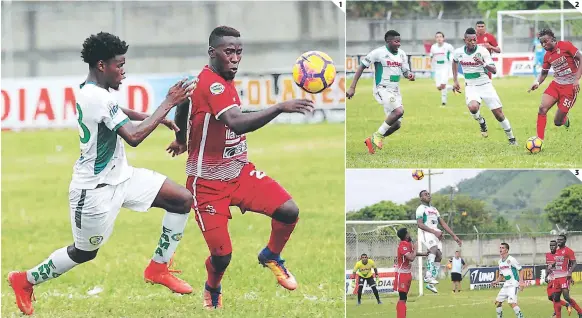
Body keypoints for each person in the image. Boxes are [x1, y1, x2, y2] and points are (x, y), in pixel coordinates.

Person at [7, 32, 196, 316]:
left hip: (123, 177)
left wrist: (154, 116)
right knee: (84, 252)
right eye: (119, 65)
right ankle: (24, 280)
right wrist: (166, 104)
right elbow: (132, 137)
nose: (123, 71)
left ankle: (158, 267)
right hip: (94, 192)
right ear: (101, 65)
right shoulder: (96, 96)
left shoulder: (92, 90)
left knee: (182, 199)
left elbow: (115, 109)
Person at [166, 26, 314, 310]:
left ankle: (271, 255)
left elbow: (183, 104)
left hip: (239, 172)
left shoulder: (210, 79)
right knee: (222, 256)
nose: (235, 58)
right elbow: (237, 122)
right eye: (228, 52)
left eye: (238, 52)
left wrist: (180, 138)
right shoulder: (213, 84)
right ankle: (212, 287)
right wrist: (280, 107)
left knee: (288, 210)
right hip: (207, 184)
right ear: (212, 53)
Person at [346, 30, 415, 154]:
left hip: (395, 90)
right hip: (382, 89)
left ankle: (372, 140)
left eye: (400, 41)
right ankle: (378, 135)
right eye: (396, 41)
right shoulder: (378, 53)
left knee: (396, 124)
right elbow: (361, 67)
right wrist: (352, 87)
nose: (399, 44)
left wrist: (409, 75)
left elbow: (405, 71)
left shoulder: (402, 54)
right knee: (399, 111)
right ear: (388, 41)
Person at [452, 27, 516, 145]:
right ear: (464, 40)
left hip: (485, 85)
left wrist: (483, 63)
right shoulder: (458, 52)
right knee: (473, 108)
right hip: (471, 86)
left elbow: (494, 70)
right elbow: (455, 61)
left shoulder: (483, 51)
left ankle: (512, 138)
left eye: (474, 40)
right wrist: (455, 80)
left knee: (499, 115)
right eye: (470, 40)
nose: (473, 42)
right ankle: (481, 121)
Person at [528, 28, 582, 141]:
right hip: (556, 84)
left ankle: (564, 119)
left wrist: (577, 79)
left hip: (570, 88)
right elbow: (544, 73)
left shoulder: (566, 45)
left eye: (545, 41)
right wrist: (537, 82)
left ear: (552, 39)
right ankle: (539, 140)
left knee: (557, 122)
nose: (543, 44)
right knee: (542, 109)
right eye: (541, 42)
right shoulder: (547, 55)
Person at [415, 190, 462, 293]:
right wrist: (433, 232)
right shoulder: (420, 209)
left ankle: (431, 284)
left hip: (435, 233)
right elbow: (419, 224)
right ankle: (428, 276)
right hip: (426, 232)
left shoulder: (434, 209)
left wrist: (454, 236)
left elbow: (443, 224)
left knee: (439, 255)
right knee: (433, 250)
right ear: (421, 198)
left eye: (428, 194)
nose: (428, 195)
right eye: (425, 194)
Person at [395, 227, 429, 318]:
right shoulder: (403, 245)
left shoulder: (407, 244)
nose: (409, 234)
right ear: (405, 235)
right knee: (402, 298)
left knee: (404, 298)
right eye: (408, 233)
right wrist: (415, 248)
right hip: (401, 274)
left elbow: (413, 254)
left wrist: (424, 253)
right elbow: (411, 257)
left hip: (407, 274)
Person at [491, 243, 526, 318]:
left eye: (502, 248)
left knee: (511, 303)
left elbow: (520, 270)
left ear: (506, 250)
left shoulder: (511, 260)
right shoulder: (500, 262)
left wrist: (521, 281)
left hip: (513, 284)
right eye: (500, 247)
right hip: (506, 284)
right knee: (497, 303)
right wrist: (496, 281)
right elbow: (501, 275)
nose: (500, 249)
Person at [551, 235, 582, 318]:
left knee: (566, 297)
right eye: (558, 240)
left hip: (564, 277)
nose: (559, 241)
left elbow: (574, 263)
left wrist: (570, 273)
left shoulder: (568, 251)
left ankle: (580, 311)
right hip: (556, 277)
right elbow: (557, 263)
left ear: (565, 241)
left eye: (561, 240)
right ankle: (558, 316)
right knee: (555, 297)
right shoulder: (556, 251)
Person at [545, 240, 572, 317]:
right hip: (551, 277)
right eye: (550, 245)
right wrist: (546, 276)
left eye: (553, 245)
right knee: (550, 297)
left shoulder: (559, 254)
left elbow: (566, 265)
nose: (551, 247)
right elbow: (547, 266)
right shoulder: (547, 255)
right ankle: (567, 304)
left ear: (557, 246)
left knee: (554, 296)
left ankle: (557, 312)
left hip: (557, 278)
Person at [430, 31, 455, 106]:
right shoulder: (433, 47)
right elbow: (431, 57)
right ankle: (452, 87)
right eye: (437, 37)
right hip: (437, 68)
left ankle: (444, 102)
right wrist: (431, 66)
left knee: (443, 84)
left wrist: (452, 60)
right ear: (435, 39)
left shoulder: (448, 46)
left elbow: (454, 54)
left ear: (443, 38)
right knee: (439, 87)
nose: (439, 38)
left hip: (445, 67)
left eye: (440, 37)